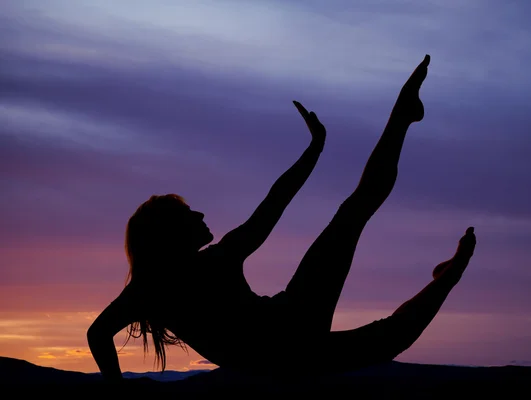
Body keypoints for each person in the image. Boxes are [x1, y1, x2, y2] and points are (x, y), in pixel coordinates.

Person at [87, 55, 477, 379]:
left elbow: (275, 201)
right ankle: (450, 273)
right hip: (291, 338)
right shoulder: (168, 281)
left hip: (290, 326)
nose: (201, 213)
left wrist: (314, 150)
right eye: (189, 213)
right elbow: (98, 334)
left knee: (358, 226)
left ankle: (403, 117)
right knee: (388, 325)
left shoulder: (165, 283)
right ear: (169, 233)